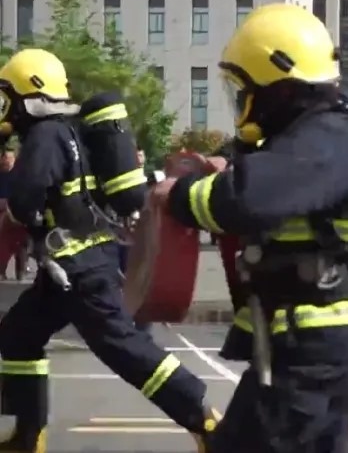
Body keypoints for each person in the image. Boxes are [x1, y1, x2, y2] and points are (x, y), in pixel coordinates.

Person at [156, 3, 348, 453]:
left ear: (279, 88)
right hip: (325, 340)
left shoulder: (324, 139)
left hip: (313, 345)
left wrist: (178, 196)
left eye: (246, 89)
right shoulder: (331, 129)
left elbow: (247, 199)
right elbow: (272, 171)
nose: (242, 101)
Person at [0, 48, 217, 452]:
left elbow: (26, 199)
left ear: (28, 95)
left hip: (79, 272)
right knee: (17, 335)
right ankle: (29, 435)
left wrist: (15, 213)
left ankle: (202, 418)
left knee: (125, 349)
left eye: (6, 96)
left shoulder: (44, 136)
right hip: (68, 267)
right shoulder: (70, 131)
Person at [0, 148, 29, 282]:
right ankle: (1, 272)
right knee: (3, 244)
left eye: (10, 158)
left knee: (22, 244)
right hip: (4, 213)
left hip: (17, 212)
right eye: (5, 158)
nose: (7, 160)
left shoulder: (20, 176)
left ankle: (21, 272)